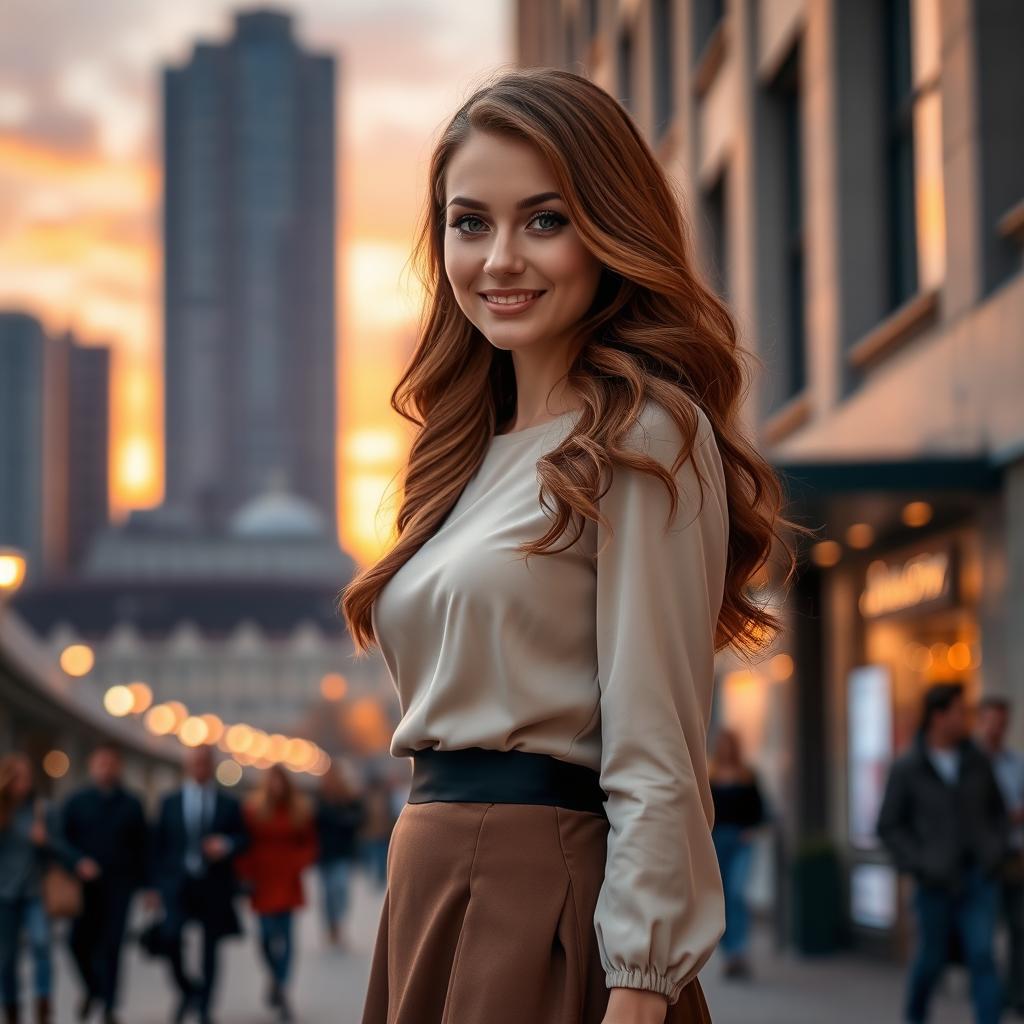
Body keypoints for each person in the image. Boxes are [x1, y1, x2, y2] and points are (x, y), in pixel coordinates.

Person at [338, 67, 800, 1024]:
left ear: (608, 230)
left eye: (544, 220)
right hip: (428, 880)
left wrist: (640, 978)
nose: (500, 257)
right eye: (471, 223)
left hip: (537, 892)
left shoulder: (646, 434)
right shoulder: (462, 453)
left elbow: (657, 740)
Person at [877, 682, 1009, 1024]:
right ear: (938, 717)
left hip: (978, 876)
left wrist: (994, 850)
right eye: (958, 712)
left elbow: (997, 810)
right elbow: (889, 826)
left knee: (982, 956)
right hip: (933, 883)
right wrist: (920, 863)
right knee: (930, 961)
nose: (964, 719)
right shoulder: (909, 766)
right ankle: (915, 1016)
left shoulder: (977, 760)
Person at [150, 745, 247, 1024]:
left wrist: (226, 844)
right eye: (195, 763)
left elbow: (243, 838)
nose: (200, 768)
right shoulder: (170, 801)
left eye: (205, 763)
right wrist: (153, 887)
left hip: (213, 886)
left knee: (210, 949)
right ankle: (187, 990)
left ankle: (205, 1007)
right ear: (187, 766)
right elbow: (158, 845)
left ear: (212, 766)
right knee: (170, 938)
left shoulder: (228, 803)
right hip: (177, 884)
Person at [60, 743, 148, 1024]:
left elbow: (143, 846)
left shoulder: (132, 803)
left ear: (118, 766)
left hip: (118, 887)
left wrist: (147, 886)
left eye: (111, 763)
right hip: (84, 886)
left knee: (112, 946)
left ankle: (109, 1006)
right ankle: (92, 988)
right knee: (77, 942)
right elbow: (62, 840)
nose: (106, 769)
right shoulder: (76, 801)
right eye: (101, 763)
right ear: (92, 766)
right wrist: (77, 862)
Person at [236, 765, 318, 1022]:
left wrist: (298, 863)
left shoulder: (299, 811)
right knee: (265, 936)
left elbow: (309, 843)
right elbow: (244, 842)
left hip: (288, 877)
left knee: (287, 937)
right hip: (262, 878)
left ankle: (282, 987)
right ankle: (274, 976)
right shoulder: (253, 809)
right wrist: (245, 872)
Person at [0, 754, 74, 1024]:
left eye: (27, 778)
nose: (23, 784)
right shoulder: (3, 811)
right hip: (4, 894)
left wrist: (46, 841)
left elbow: (62, 850)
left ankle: (43, 1007)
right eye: (17, 778)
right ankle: (11, 1009)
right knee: (5, 958)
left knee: (42, 945)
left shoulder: (43, 810)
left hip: (34, 893)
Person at [977, 695, 1024, 1017]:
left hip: (1015, 855)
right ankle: (988, 993)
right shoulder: (970, 764)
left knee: (1019, 927)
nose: (999, 728)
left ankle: (1016, 993)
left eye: (1003, 721)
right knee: (982, 934)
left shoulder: (1016, 762)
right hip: (983, 859)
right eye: (993, 720)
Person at [709, 728, 766, 980]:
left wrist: (750, 829)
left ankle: (739, 952)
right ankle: (729, 952)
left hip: (741, 841)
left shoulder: (747, 775)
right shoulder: (709, 775)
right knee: (721, 898)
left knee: (737, 892)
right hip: (717, 840)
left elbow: (760, 809)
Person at [314, 760, 367, 949]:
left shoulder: (349, 797)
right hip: (324, 853)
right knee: (328, 893)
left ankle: (339, 924)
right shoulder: (320, 797)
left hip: (343, 853)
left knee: (341, 889)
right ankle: (331, 927)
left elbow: (360, 817)